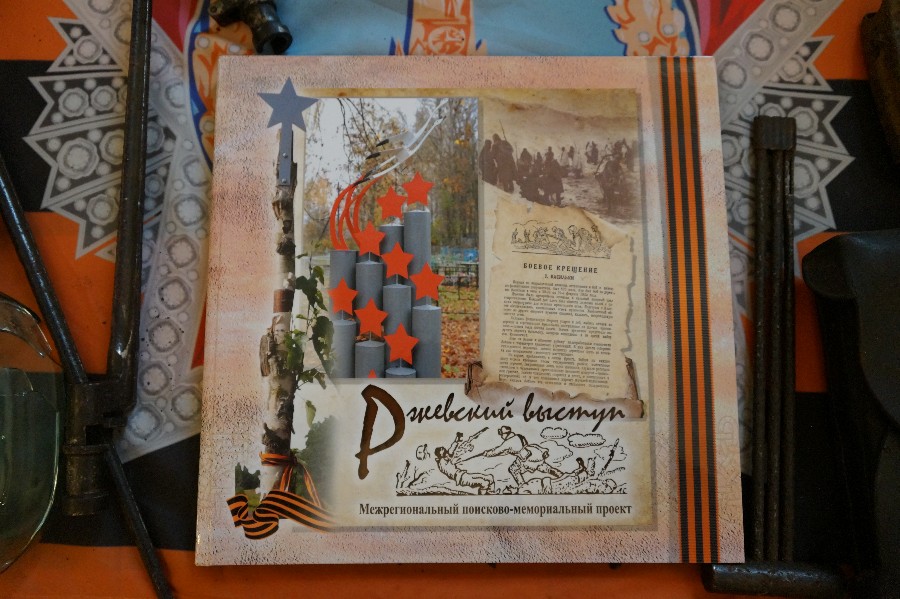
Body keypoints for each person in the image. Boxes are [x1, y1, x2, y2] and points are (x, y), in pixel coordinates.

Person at [479, 425, 562, 487]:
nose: (501, 436)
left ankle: (522, 485)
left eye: (501, 434)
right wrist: (490, 453)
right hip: (533, 454)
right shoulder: (518, 436)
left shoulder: (508, 442)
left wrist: (487, 453)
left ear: (505, 434)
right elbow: (506, 451)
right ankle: (561, 475)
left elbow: (497, 451)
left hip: (525, 458)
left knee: (513, 469)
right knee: (544, 467)